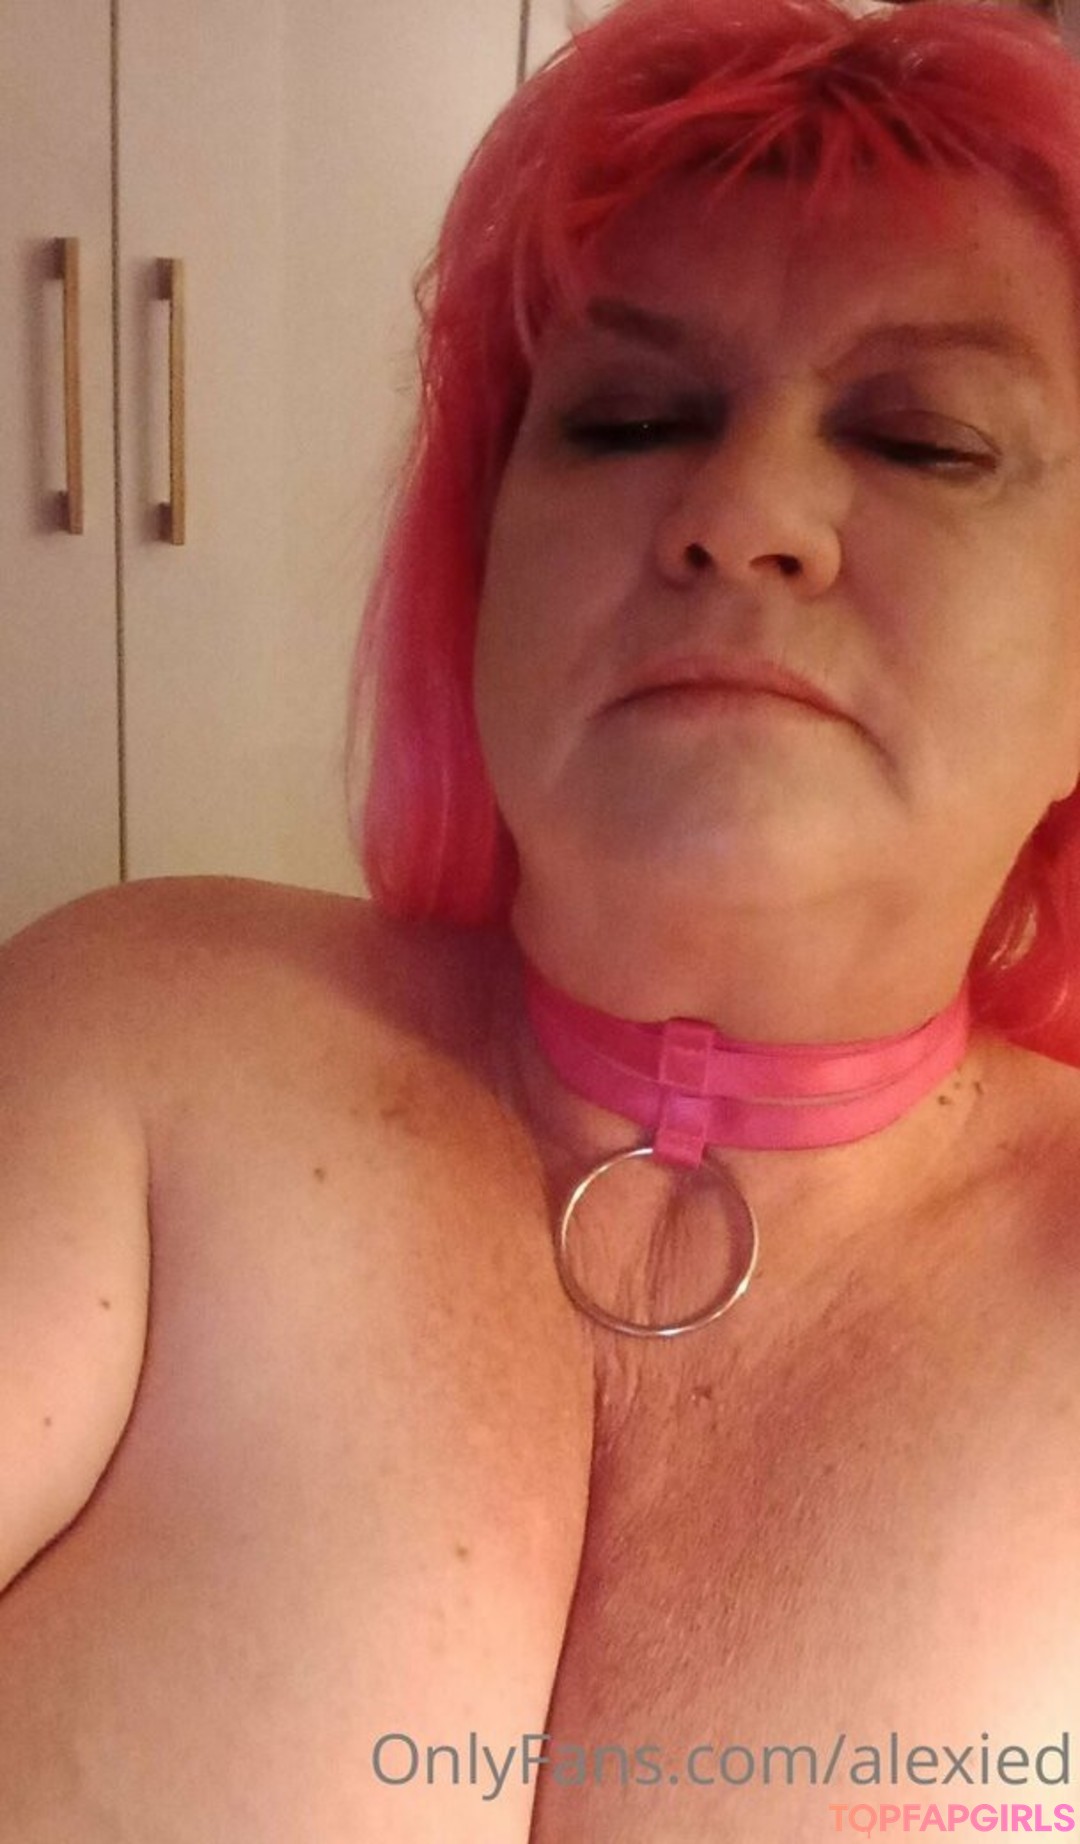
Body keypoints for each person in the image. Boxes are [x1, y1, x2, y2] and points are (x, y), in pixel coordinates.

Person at [3, 0, 1080, 1837]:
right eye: (629, 419)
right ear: (477, 565)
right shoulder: (130, 1045)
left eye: (924, 440)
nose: (743, 511)